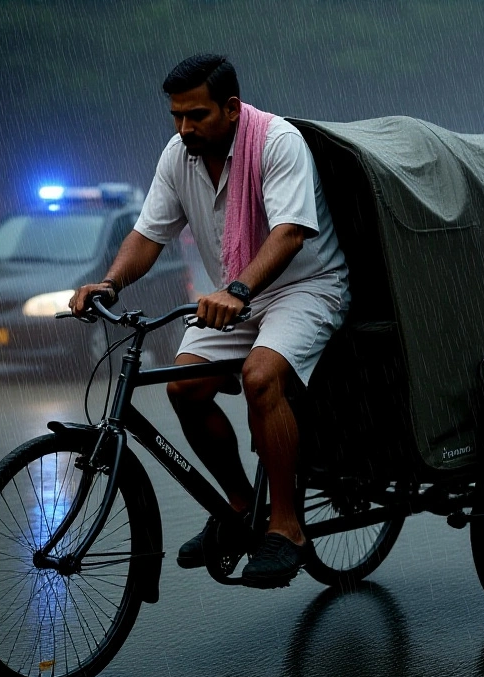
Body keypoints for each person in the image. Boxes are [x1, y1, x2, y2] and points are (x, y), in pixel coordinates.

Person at [69, 53, 348, 587]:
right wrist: (109, 282)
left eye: (196, 115)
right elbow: (148, 235)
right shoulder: (179, 156)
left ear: (232, 109)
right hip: (236, 293)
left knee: (261, 378)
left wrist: (240, 288)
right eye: (176, 116)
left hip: (307, 286)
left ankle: (286, 527)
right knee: (185, 388)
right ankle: (240, 507)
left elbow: (290, 231)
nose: (184, 128)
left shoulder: (277, 142)